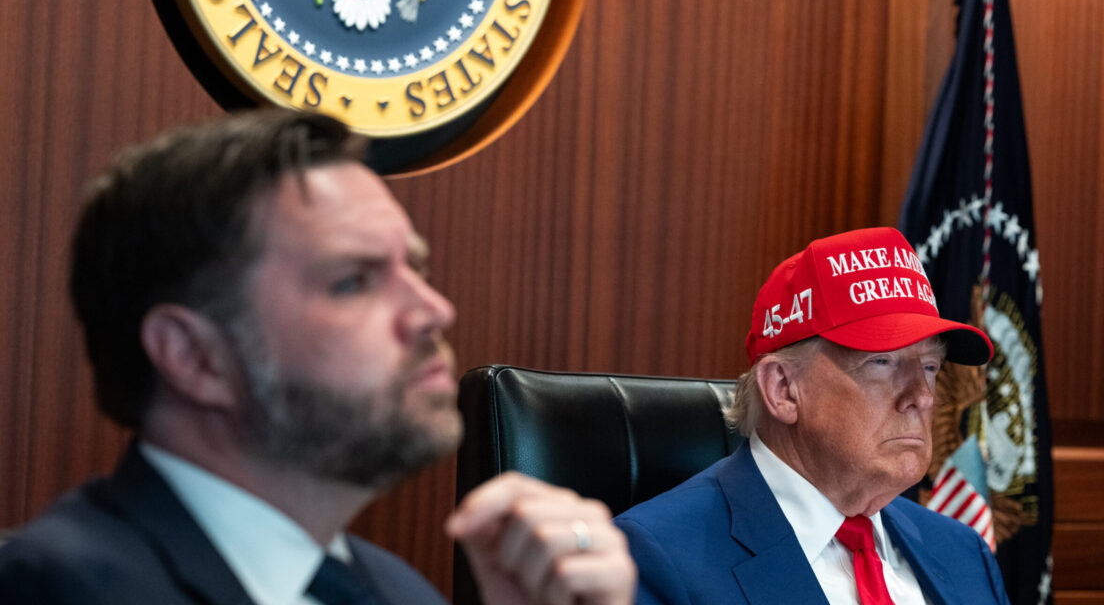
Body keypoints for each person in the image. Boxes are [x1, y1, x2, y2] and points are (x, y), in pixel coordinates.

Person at [0, 110, 634, 605]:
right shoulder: (55, 591)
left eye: (414, 268)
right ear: (195, 357)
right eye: (354, 282)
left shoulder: (393, 590)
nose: (435, 310)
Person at [614, 227, 1010, 605]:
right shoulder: (655, 559)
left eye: (929, 367)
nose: (922, 397)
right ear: (783, 389)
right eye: (882, 362)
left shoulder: (963, 553)